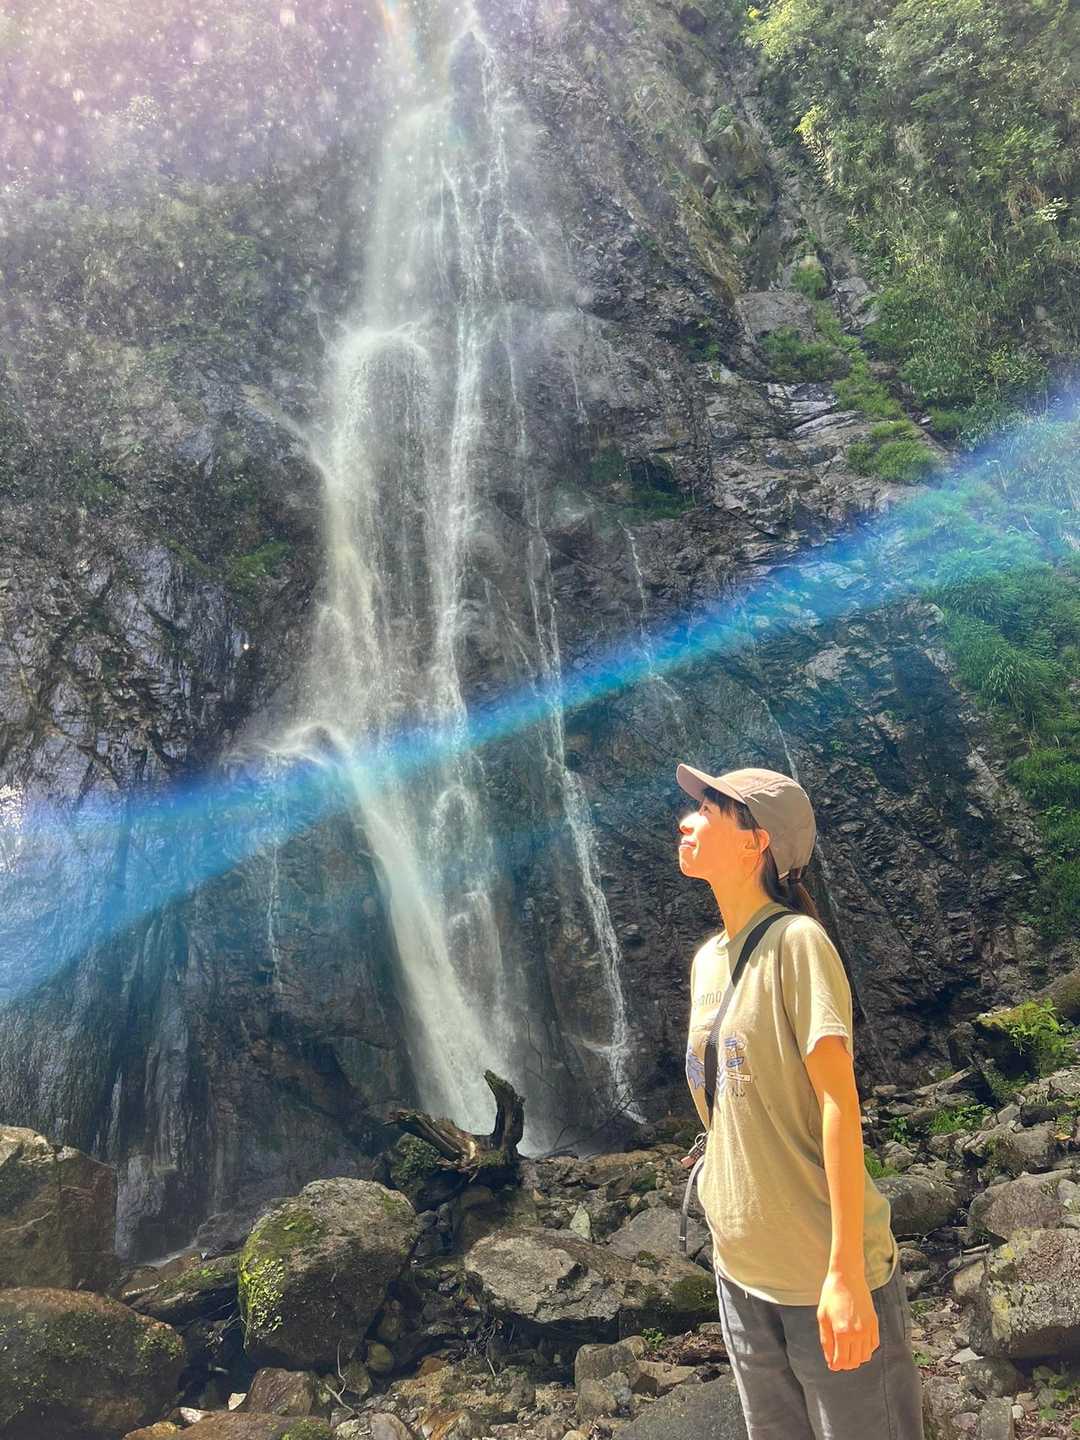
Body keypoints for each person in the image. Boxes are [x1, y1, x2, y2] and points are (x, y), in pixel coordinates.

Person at [676, 762, 925, 1440]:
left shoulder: (798, 943)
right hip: (740, 1270)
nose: (686, 821)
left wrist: (845, 1274)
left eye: (707, 811)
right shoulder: (707, 961)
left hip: (820, 1271)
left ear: (755, 841)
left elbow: (839, 1105)